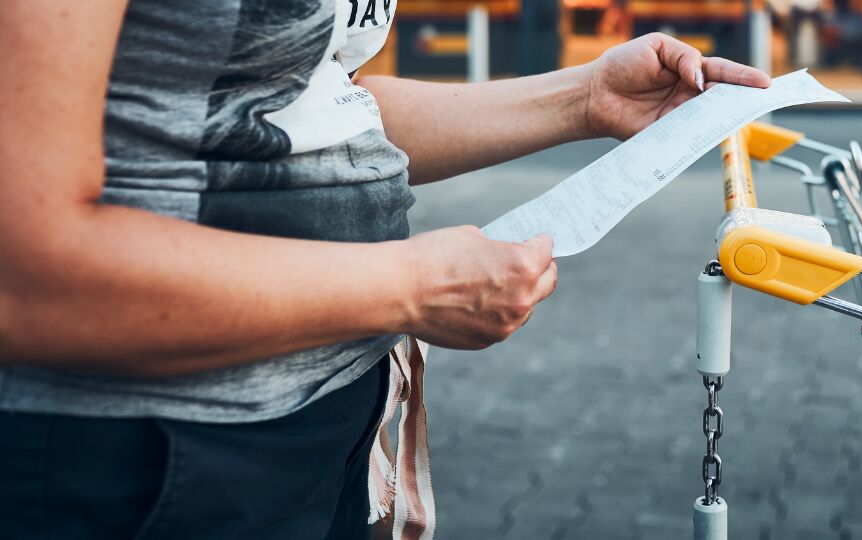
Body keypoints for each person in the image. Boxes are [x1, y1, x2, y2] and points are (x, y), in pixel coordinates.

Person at [0, 1, 771, 538]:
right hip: (134, 453)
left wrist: (584, 96)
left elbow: (314, 105)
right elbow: (23, 271)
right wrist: (411, 285)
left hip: (319, 417)